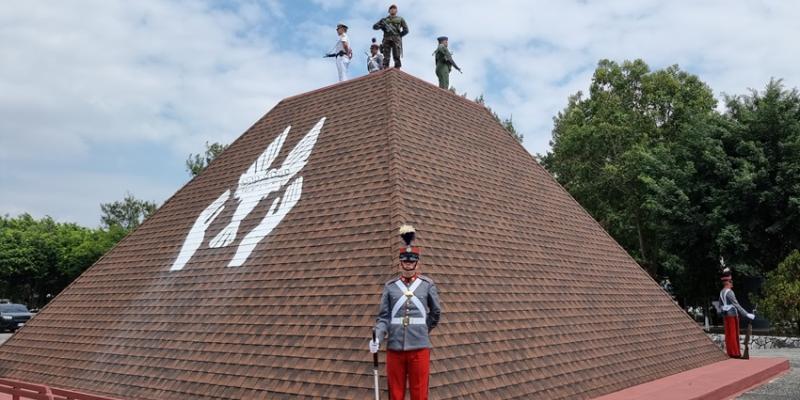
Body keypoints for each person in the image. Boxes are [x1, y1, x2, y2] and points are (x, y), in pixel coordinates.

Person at [370, 225, 441, 400]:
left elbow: (436, 312)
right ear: (400, 262)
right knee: (395, 392)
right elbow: (384, 317)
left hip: (419, 347)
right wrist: (377, 337)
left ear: (417, 263)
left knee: (419, 393)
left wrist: (424, 329)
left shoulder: (427, 285)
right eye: (405, 261)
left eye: (411, 261)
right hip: (395, 347)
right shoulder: (390, 286)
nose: (408, 265)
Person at [719, 267, 755, 358]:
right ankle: (735, 353)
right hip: (732, 315)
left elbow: (720, 306)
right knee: (734, 335)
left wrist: (724, 312)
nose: (732, 283)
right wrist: (747, 314)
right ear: (728, 282)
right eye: (731, 281)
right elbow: (737, 305)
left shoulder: (721, 292)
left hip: (725, 316)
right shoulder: (730, 292)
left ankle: (730, 352)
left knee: (728, 335)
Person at [373, 4, 409, 69]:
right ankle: (385, 69)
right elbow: (374, 26)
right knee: (386, 56)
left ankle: (397, 69)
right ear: (389, 11)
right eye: (391, 9)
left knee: (396, 55)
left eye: (394, 8)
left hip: (396, 39)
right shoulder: (384, 20)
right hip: (386, 38)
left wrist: (399, 35)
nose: (392, 10)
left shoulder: (400, 19)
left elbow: (406, 30)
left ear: (396, 11)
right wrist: (382, 26)